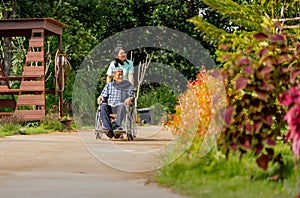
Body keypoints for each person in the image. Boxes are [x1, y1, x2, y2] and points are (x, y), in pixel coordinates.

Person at [98, 67, 134, 138]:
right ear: (113, 76)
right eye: (119, 75)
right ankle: (108, 129)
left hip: (121, 107)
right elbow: (103, 95)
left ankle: (117, 128)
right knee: (103, 106)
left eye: (122, 75)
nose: (121, 76)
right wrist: (100, 97)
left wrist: (130, 98)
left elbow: (132, 95)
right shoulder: (109, 85)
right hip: (110, 106)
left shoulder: (127, 84)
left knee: (121, 105)